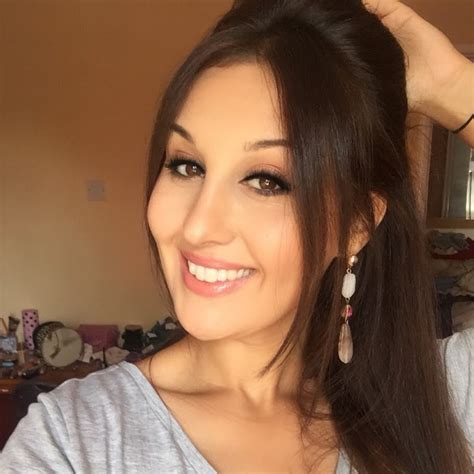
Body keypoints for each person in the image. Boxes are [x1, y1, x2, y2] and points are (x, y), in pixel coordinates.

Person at [1, 0, 473, 472]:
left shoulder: (434, 400)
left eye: (267, 181)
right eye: (186, 165)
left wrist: (452, 85)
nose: (197, 226)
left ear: (356, 226)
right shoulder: (72, 442)